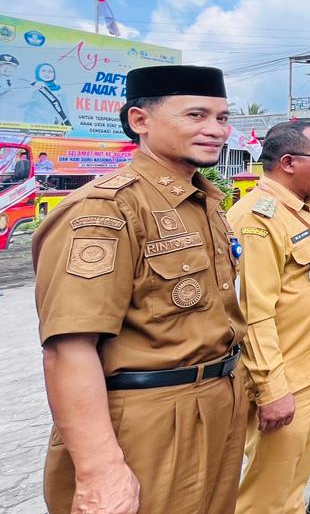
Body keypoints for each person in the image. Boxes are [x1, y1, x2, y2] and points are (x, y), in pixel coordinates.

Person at [33, 65, 248, 514]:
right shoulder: (106, 210)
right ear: (140, 121)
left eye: (223, 118)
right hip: (148, 420)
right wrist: (99, 470)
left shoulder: (203, 203)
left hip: (217, 403)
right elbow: (68, 348)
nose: (215, 130)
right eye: (196, 115)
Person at [229, 122, 310, 514]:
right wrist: (270, 390)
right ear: (288, 162)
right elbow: (253, 314)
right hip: (290, 382)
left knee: (295, 482)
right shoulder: (256, 220)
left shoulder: (306, 208)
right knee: (268, 493)